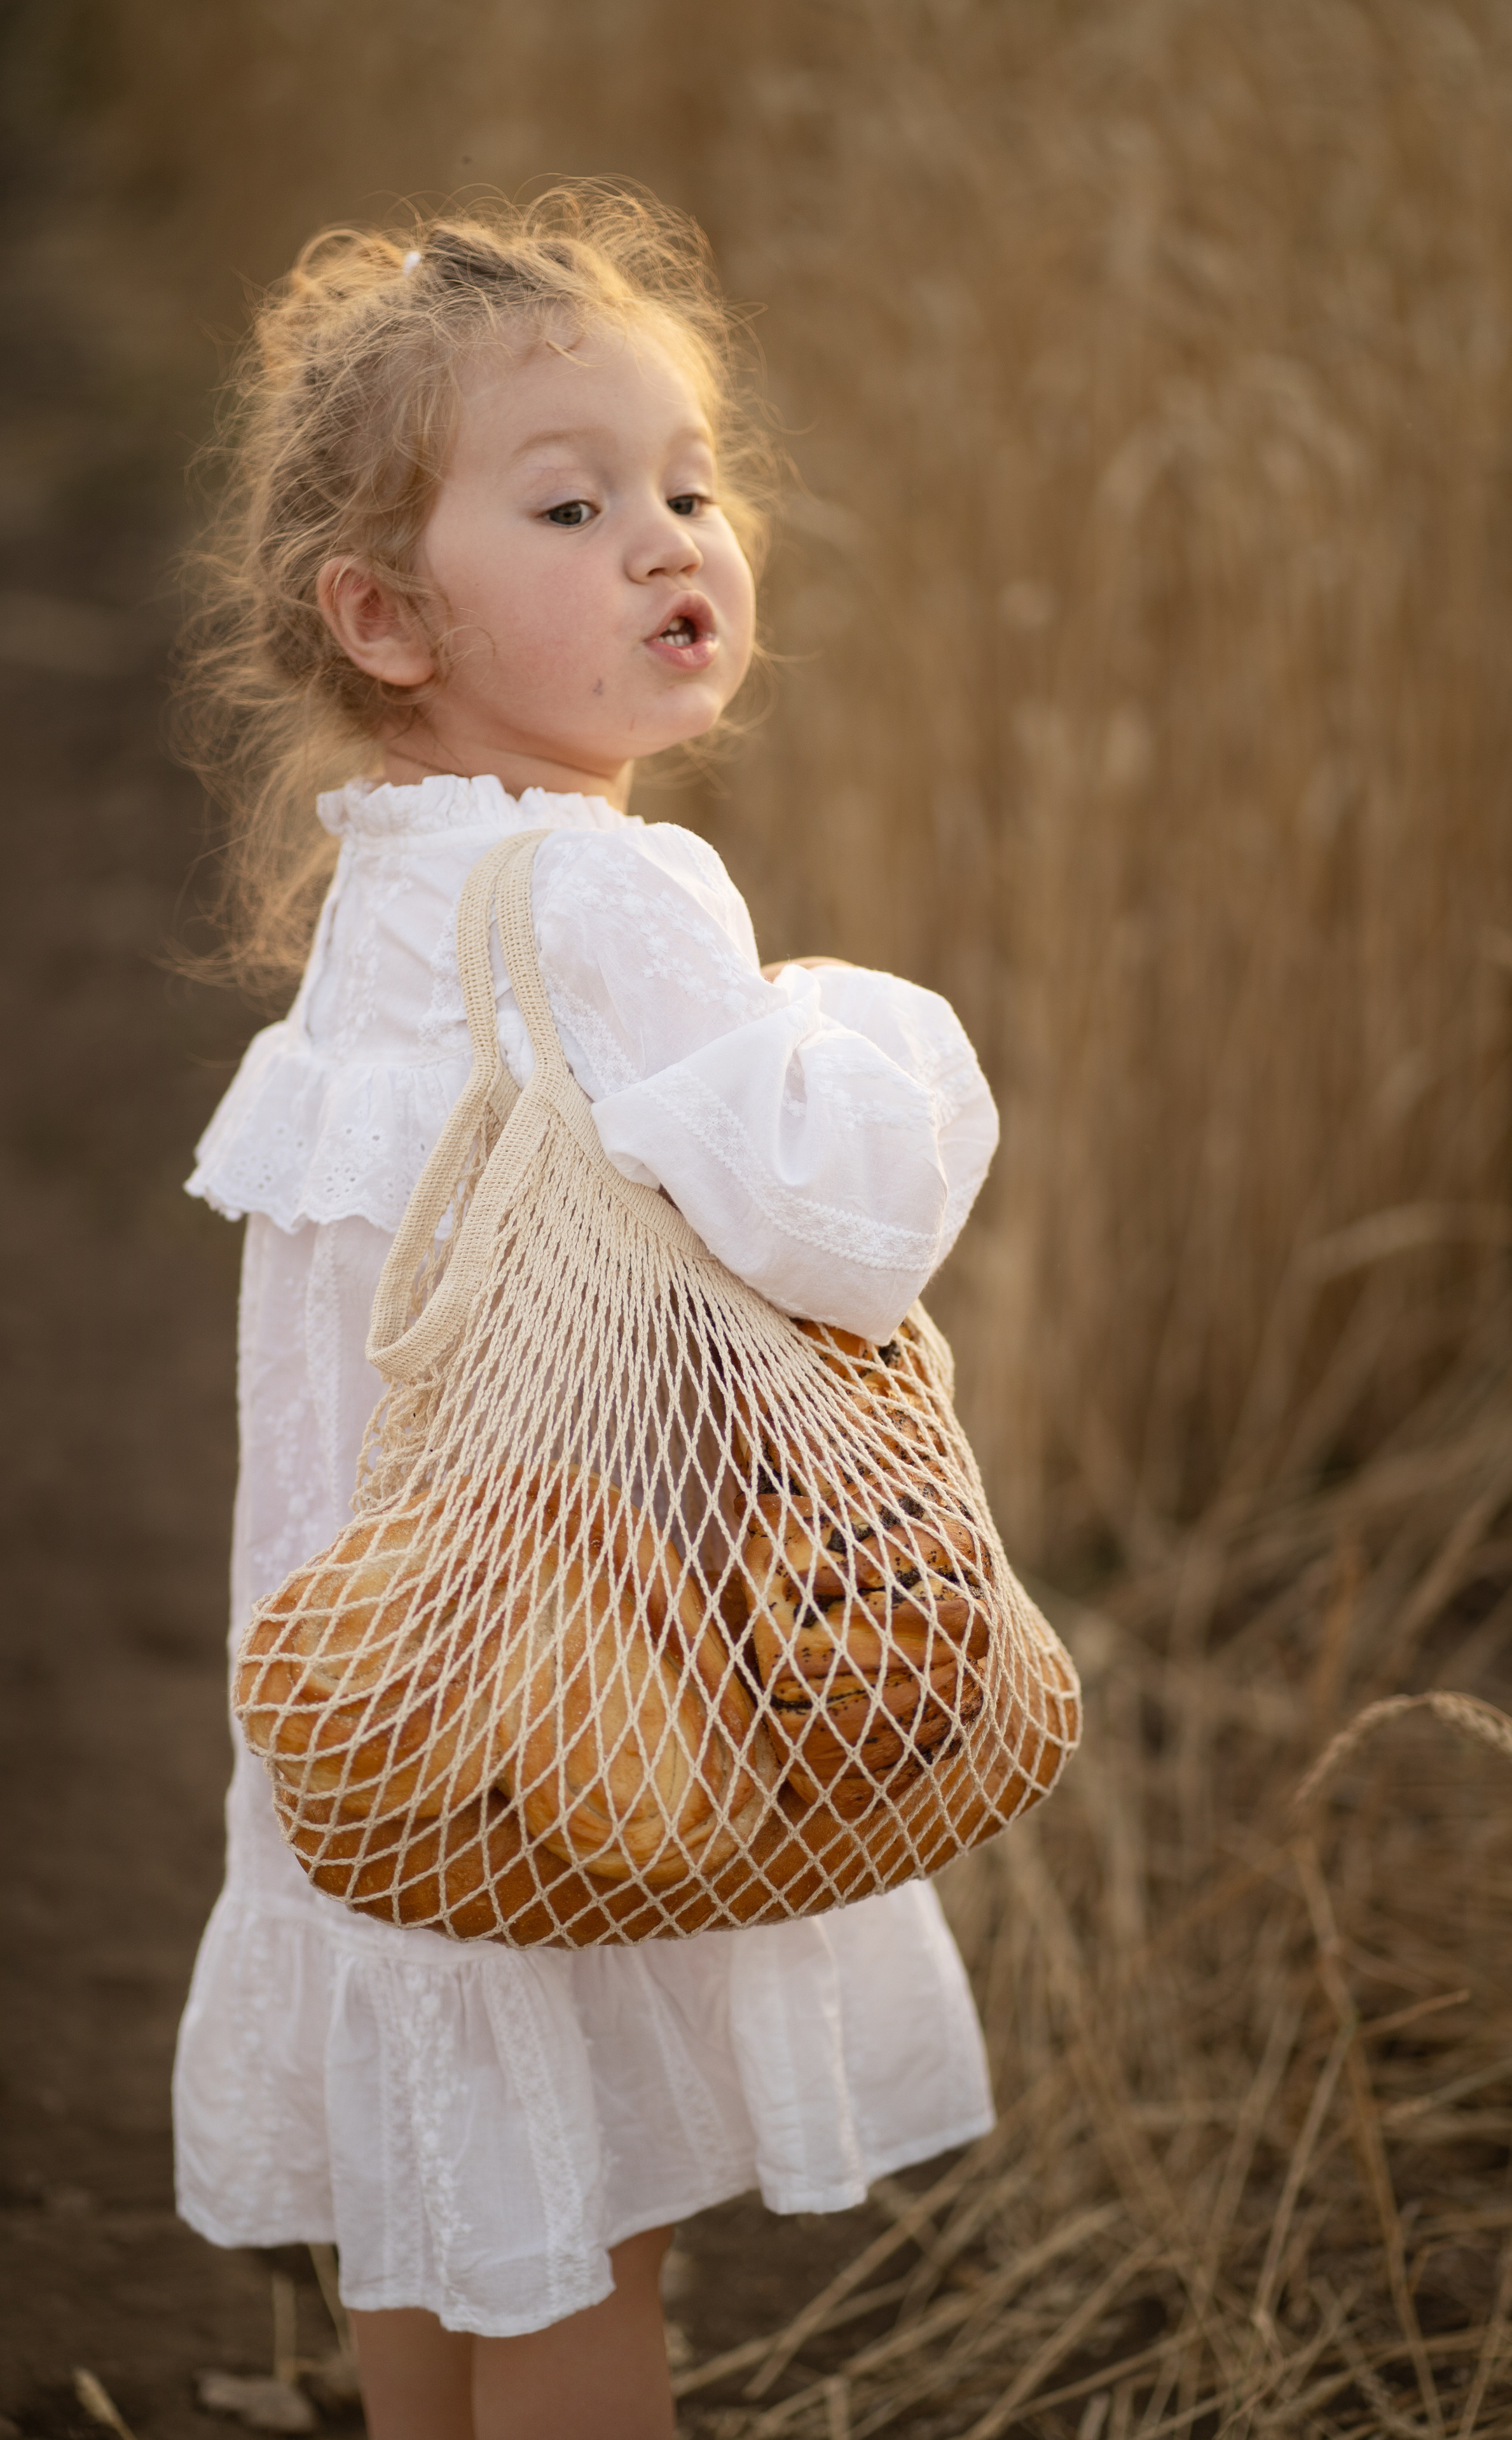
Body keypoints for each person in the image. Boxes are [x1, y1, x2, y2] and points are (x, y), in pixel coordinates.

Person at [172, 190, 1001, 2440]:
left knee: (443, 2201)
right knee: (585, 2264)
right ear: (384, 611)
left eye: (690, 485)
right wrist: (878, 1029)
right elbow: (840, 1224)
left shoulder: (392, 884)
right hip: (580, 1689)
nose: (666, 541)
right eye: (570, 503)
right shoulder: (610, 892)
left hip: (378, 1716)